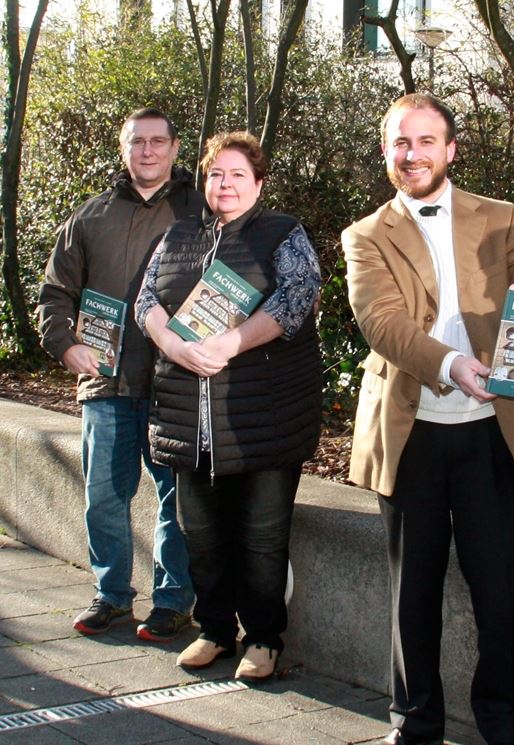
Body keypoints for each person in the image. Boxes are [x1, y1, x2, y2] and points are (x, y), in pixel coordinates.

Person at [342, 93, 514, 745]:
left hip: (495, 433)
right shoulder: (365, 235)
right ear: (386, 152)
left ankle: (509, 725)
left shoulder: (502, 217)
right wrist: (454, 363)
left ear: (451, 148)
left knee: (500, 592)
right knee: (414, 593)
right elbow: (383, 323)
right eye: (400, 143)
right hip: (411, 434)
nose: (413, 154)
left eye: (426, 141)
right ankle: (414, 722)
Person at [135, 131, 322, 683]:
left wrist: (229, 344)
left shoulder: (282, 233)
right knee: (202, 535)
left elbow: (296, 297)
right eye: (217, 174)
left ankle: (264, 639)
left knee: (263, 539)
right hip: (188, 421)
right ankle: (215, 630)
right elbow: (146, 301)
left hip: (262, 421)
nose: (226, 184)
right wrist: (174, 345)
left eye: (239, 174)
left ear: (259, 184)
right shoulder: (176, 238)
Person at [37, 107, 200, 641]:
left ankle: (173, 601)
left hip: (175, 385)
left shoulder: (202, 213)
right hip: (106, 384)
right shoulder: (89, 218)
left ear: (175, 149)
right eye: (137, 142)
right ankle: (111, 595)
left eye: (158, 142)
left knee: (177, 502)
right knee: (105, 497)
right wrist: (65, 346)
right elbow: (55, 294)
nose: (147, 151)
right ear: (123, 148)